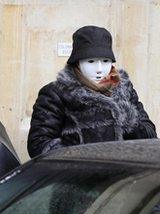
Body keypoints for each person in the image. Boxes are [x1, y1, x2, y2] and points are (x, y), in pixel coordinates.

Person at [27, 25, 157, 158]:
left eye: (106, 61)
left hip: (124, 174)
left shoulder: (124, 89)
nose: (100, 69)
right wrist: (81, 150)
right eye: (91, 61)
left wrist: (129, 122)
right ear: (77, 63)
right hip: (80, 175)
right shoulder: (56, 93)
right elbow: (38, 144)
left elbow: (150, 135)